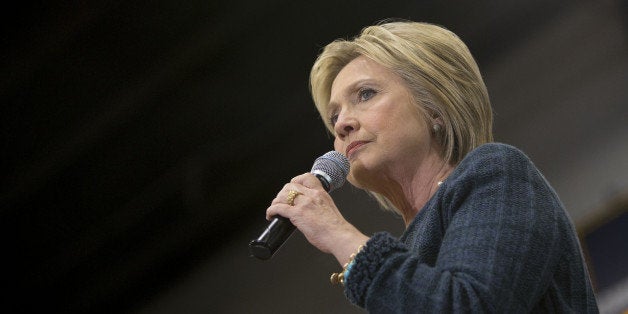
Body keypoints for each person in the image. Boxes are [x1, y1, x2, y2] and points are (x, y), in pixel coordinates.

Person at [266, 20, 598, 313]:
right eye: (334, 116)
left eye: (365, 94)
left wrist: (335, 232)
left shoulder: (496, 172)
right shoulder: (408, 255)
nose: (341, 125)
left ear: (434, 107)